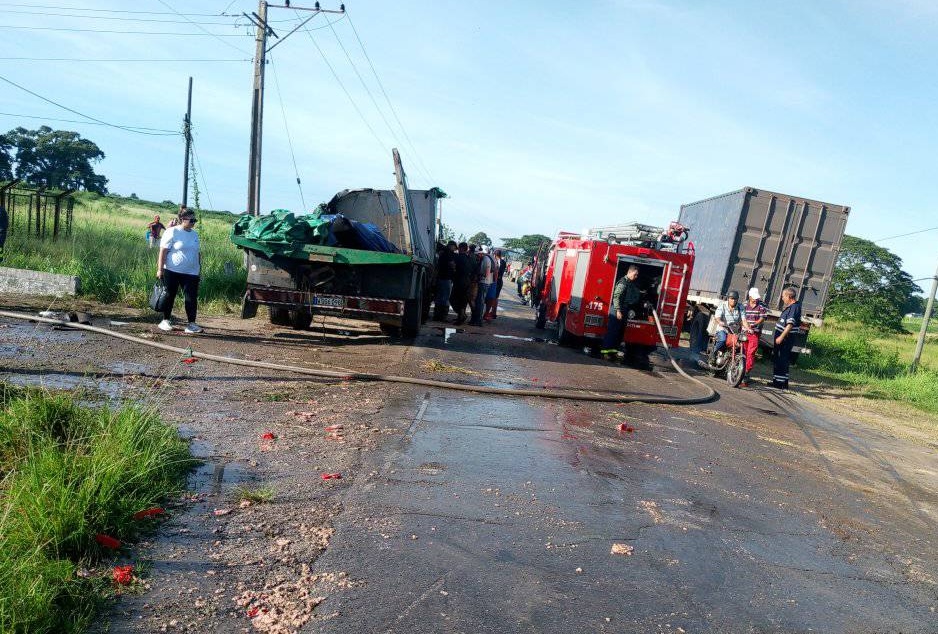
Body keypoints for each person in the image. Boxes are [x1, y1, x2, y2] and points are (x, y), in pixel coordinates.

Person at [156, 208, 203, 333]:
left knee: (191, 298)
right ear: (183, 219)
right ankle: (165, 320)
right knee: (169, 295)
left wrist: (199, 270)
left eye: (195, 220)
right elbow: (163, 252)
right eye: (191, 220)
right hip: (172, 270)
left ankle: (191, 324)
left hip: (191, 272)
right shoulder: (172, 232)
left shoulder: (194, 234)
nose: (193, 222)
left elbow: (197, 253)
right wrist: (160, 269)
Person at [600, 265, 642, 357]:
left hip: (624, 309)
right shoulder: (623, 283)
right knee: (612, 331)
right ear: (630, 272)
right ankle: (605, 351)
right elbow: (616, 297)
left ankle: (613, 351)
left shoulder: (630, 283)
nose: (636, 277)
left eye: (637, 275)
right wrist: (618, 311)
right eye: (635, 274)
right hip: (617, 309)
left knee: (619, 332)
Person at [772, 287, 801, 389]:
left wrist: (781, 337)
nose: (782, 298)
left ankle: (779, 384)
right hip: (783, 337)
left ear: (789, 296)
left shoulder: (794, 307)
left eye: (783, 296)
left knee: (782, 359)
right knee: (780, 359)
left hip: (786, 338)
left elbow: (790, 325)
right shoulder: (792, 306)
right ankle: (780, 381)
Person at [741, 287, 768, 387]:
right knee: (742, 351)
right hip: (744, 332)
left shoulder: (762, 305)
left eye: (757, 298)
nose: (756, 300)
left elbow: (762, 318)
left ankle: (746, 375)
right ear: (749, 296)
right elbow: (741, 316)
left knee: (751, 353)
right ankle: (738, 371)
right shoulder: (744, 304)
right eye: (754, 298)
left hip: (754, 333)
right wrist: (745, 326)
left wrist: (753, 325)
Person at [710, 290, 744, 364]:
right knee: (722, 339)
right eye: (731, 298)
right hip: (723, 328)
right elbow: (717, 317)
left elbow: (743, 320)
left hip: (734, 331)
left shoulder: (740, 306)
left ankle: (734, 362)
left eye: (735, 299)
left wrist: (748, 328)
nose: (733, 300)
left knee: (740, 344)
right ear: (728, 298)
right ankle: (714, 353)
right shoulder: (722, 305)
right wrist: (720, 322)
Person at [471, 246, 495, 326]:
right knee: (479, 302)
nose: (477, 256)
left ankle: (478, 321)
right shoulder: (484, 259)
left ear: (481, 253)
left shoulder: (486, 260)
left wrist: (480, 276)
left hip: (484, 283)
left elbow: (487, 273)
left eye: (478, 254)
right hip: (484, 282)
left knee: (480, 302)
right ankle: (477, 320)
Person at [433, 241, 457, 320]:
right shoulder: (448, 253)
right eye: (454, 247)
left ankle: (436, 315)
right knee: (445, 297)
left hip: (440, 277)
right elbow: (452, 264)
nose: (454, 249)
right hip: (446, 278)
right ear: (451, 246)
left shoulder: (442, 253)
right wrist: (455, 270)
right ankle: (443, 316)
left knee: (439, 297)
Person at [451, 242, 472, 325]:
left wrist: (453, 268)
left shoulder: (459, 257)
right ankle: (461, 316)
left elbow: (453, 266)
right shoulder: (468, 257)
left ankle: (461, 315)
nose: (458, 250)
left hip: (459, 281)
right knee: (462, 300)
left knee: (453, 299)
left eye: (458, 248)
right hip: (467, 281)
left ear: (461, 248)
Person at [486, 249, 507, 320]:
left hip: (494, 281)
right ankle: (493, 313)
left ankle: (489, 313)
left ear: (494, 254)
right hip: (500, 281)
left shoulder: (494, 262)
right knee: (495, 298)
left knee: (492, 298)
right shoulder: (503, 262)